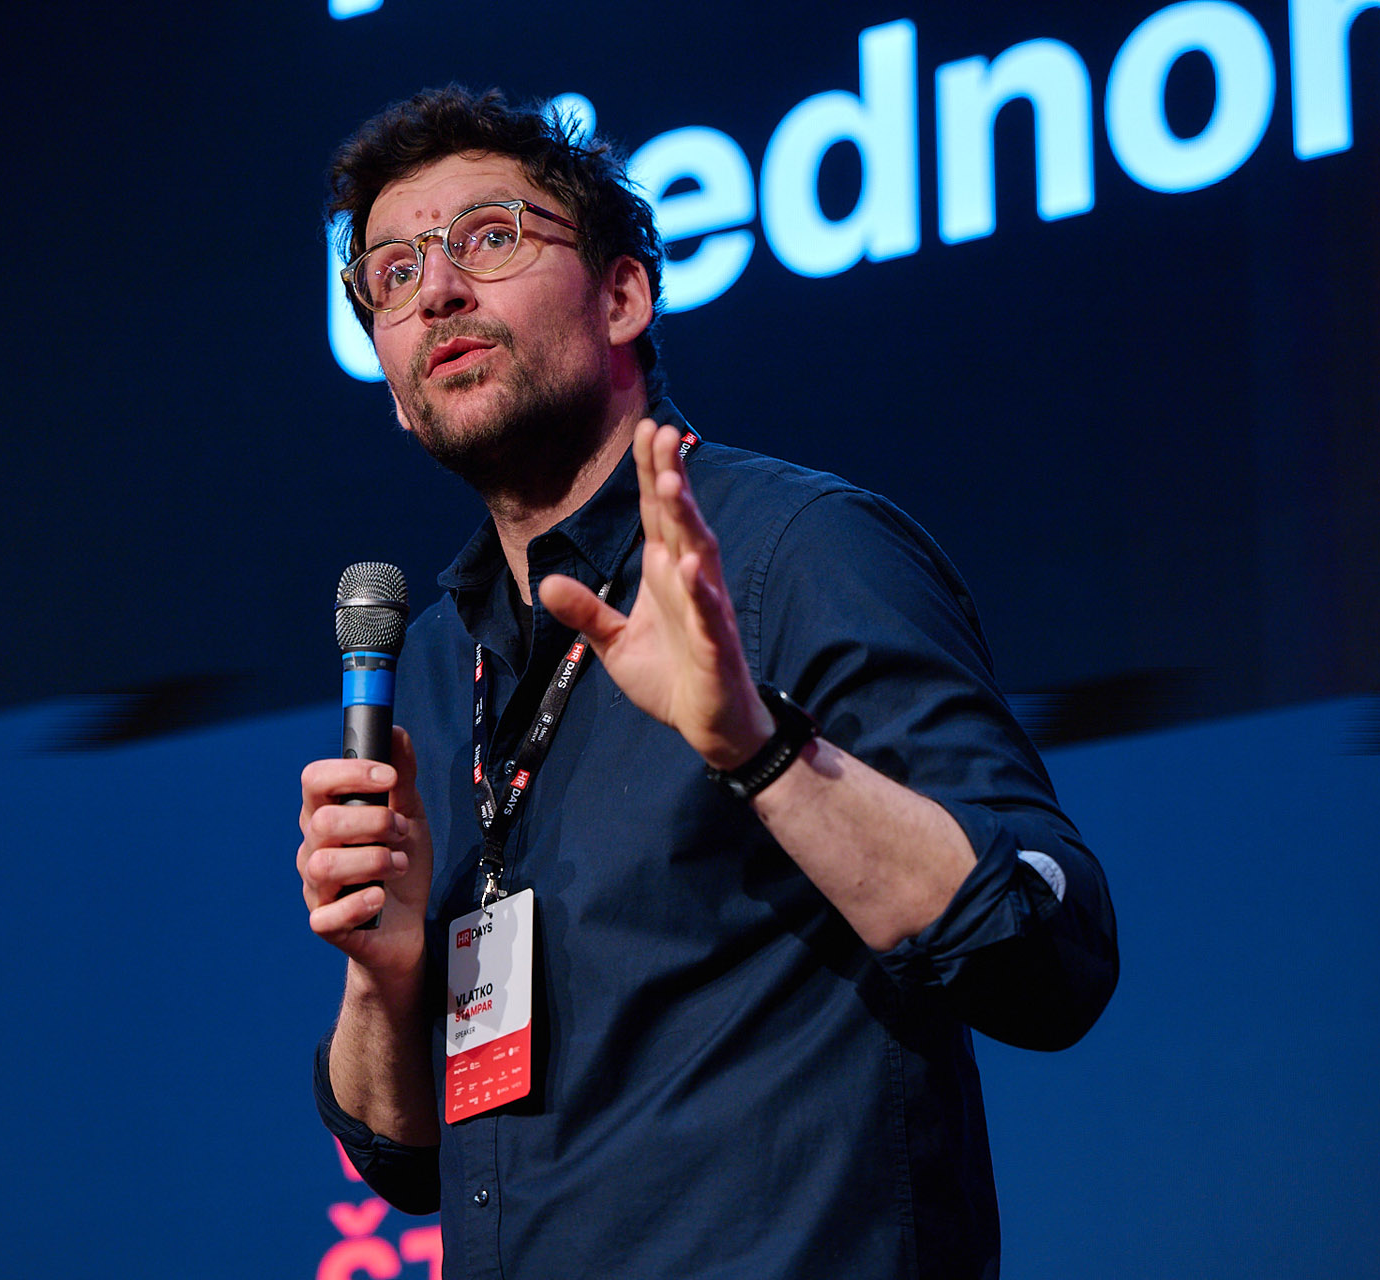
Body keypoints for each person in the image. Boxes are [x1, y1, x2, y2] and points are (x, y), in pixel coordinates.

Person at [298, 85, 1118, 1279]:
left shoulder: (794, 554)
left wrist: (761, 749)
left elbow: (1052, 951)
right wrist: (384, 971)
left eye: (491, 236)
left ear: (623, 295)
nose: (438, 290)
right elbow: (401, 1158)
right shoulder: (434, 662)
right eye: (394, 270)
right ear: (390, 382)